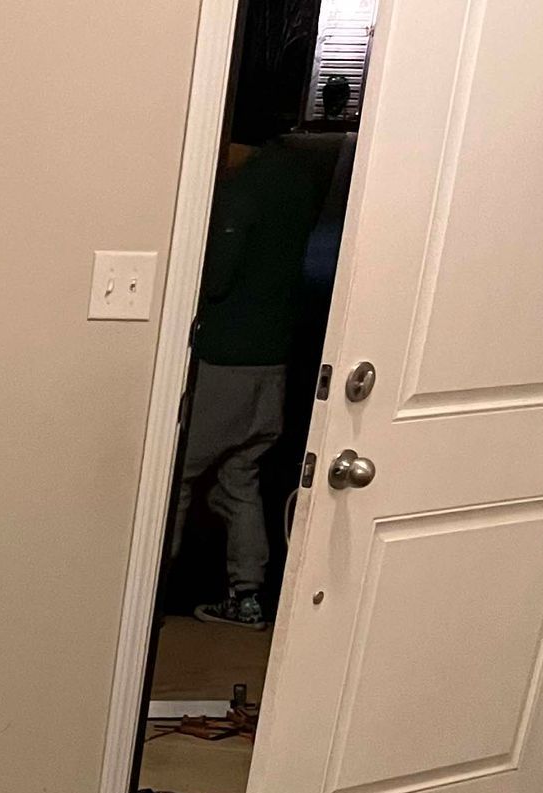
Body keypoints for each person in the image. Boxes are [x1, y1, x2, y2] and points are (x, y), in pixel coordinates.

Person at [171, 92, 329, 627]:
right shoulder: (300, 181)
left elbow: (215, 279)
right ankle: (247, 597)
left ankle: (150, 598)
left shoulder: (245, 190)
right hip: (273, 364)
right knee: (241, 477)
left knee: (178, 478)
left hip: (226, 362)